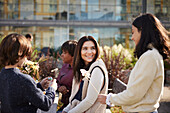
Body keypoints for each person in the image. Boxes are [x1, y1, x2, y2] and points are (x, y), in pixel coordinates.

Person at [98, 13, 170, 113]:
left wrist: (109, 98)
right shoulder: (153, 55)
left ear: (143, 32)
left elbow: (134, 94)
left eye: (133, 32)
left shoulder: (150, 56)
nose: (132, 38)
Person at [0, 33, 57, 113]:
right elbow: (45, 104)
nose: (26, 58)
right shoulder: (23, 79)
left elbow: (17, 94)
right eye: (26, 54)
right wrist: (52, 89)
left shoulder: (2, 74)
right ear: (20, 53)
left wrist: (39, 86)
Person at [62, 36, 108, 113]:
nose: (89, 52)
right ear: (79, 51)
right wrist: (66, 110)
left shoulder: (97, 69)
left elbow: (89, 101)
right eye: (85, 49)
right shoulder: (82, 68)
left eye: (93, 48)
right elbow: (76, 97)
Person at [56, 40, 77, 112]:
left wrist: (67, 90)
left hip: (74, 106)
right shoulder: (65, 66)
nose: (62, 55)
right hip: (64, 104)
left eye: (65, 53)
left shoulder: (79, 71)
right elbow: (57, 81)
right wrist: (59, 88)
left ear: (73, 55)